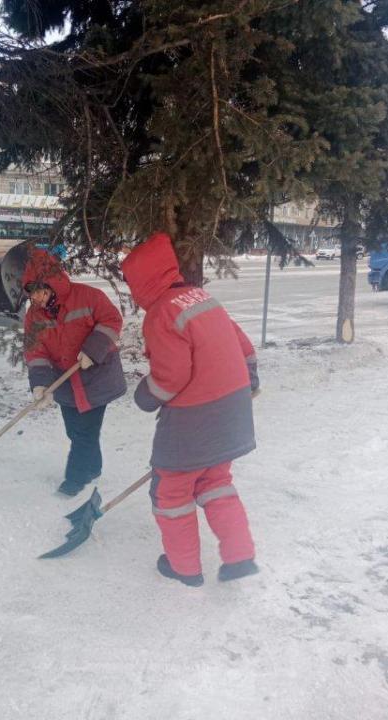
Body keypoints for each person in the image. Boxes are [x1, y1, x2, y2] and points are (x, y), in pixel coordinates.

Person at [121, 232, 260, 587]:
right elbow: (241, 344)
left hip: (192, 420)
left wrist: (145, 395)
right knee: (215, 481)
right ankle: (239, 558)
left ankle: (184, 567)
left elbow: (172, 376)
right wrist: (250, 378)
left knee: (172, 492)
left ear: (142, 281)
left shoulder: (162, 312)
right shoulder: (201, 297)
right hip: (232, 411)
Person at [22, 249, 127, 496]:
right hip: (66, 382)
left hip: (97, 377)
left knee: (84, 433)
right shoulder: (33, 316)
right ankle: (93, 467)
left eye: (40, 291)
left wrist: (93, 350)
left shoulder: (89, 297)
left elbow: (112, 320)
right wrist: (40, 384)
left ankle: (75, 479)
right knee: (74, 431)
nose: (36, 298)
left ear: (52, 284)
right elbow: (35, 350)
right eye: (31, 292)